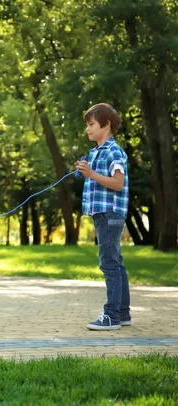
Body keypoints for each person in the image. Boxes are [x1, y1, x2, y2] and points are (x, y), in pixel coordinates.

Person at [75, 103, 130, 331]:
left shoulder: (113, 151)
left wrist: (92, 174)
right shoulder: (98, 151)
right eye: (87, 125)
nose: (87, 129)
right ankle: (123, 313)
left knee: (109, 264)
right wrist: (86, 171)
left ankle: (111, 316)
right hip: (103, 214)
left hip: (110, 214)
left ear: (106, 125)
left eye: (91, 124)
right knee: (116, 263)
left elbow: (118, 183)